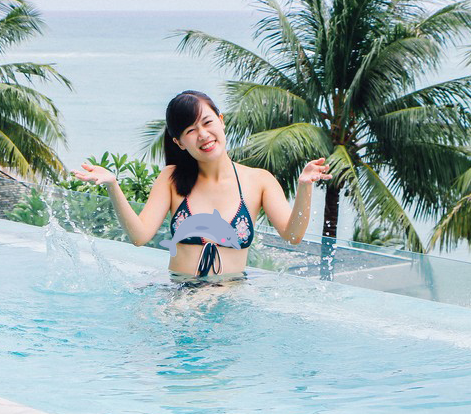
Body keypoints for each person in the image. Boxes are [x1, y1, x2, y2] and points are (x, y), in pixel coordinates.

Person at [71, 90, 331, 280]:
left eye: (207, 122)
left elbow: (293, 235)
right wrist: (113, 185)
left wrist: (305, 187)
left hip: (231, 300)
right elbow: (140, 236)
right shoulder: (171, 178)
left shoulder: (259, 180)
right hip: (178, 295)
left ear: (221, 120)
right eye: (190, 130)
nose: (203, 135)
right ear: (180, 143)